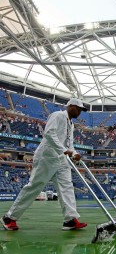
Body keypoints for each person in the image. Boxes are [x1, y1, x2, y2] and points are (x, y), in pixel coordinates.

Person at [1, 98, 88, 231]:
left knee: (67, 187)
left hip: (61, 159)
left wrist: (74, 153)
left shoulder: (71, 124)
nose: (79, 112)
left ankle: (70, 219)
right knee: (35, 186)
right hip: (46, 157)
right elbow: (49, 133)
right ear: (70, 106)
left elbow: (69, 144)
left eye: (81, 110)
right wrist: (64, 151)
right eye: (78, 108)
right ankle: (9, 217)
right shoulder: (57, 115)